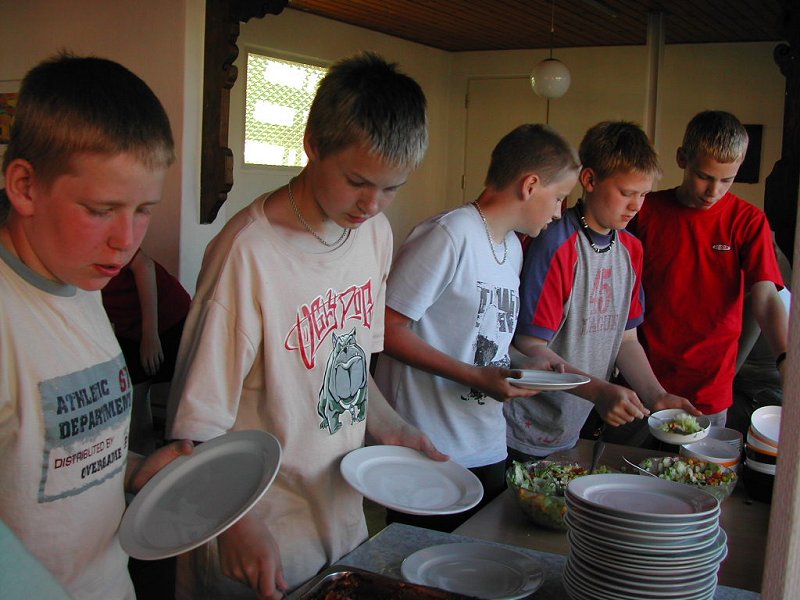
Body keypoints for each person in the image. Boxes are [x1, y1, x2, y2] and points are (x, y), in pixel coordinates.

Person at [166, 52, 445, 599]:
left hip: (341, 526)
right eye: (357, 181)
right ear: (313, 144)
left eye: (391, 188)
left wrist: (392, 429)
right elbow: (195, 429)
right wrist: (236, 523)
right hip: (255, 540)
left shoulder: (374, 235)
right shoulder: (248, 253)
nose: (372, 204)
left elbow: (348, 367)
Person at [0, 53, 192, 600]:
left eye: (143, 210)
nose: (125, 240)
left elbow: (45, 461)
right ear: (25, 186)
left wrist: (132, 470)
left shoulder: (81, 281)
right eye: (101, 209)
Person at [373, 123, 580, 531]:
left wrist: (526, 362)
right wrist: (473, 376)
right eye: (558, 198)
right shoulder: (449, 234)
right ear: (530, 185)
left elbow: (479, 338)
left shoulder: (511, 248)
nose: (559, 212)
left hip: (486, 443)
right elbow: (385, 329)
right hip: (430, 448)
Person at [504, 121, 698, 460]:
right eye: (626, 192)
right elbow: (530, 345)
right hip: (525, 425)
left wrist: (657, 396)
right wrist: (599, 391)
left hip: (574, 421)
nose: (636, 205)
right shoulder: (556, 244)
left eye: (643, 194)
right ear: (590, 180)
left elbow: (626, 340)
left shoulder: (631, 250)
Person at [630, 111, 788, 426]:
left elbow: (766, 297)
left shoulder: (748, 221)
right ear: (682, 158)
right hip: (642, 379)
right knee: (624, 456)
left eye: (726, 180)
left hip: (709, 386)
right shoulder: (644, 211)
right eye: (704, 176)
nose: (713, 191)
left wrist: (787, 359)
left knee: (700, 460)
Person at [102, 248, 191, 453]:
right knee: (134, 398)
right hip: (127, 327)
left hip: (169, 318)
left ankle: (179, 454)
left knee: (178, 397)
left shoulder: (104, 244)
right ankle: (143, 454)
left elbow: (144, 266)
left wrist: (150, 335)